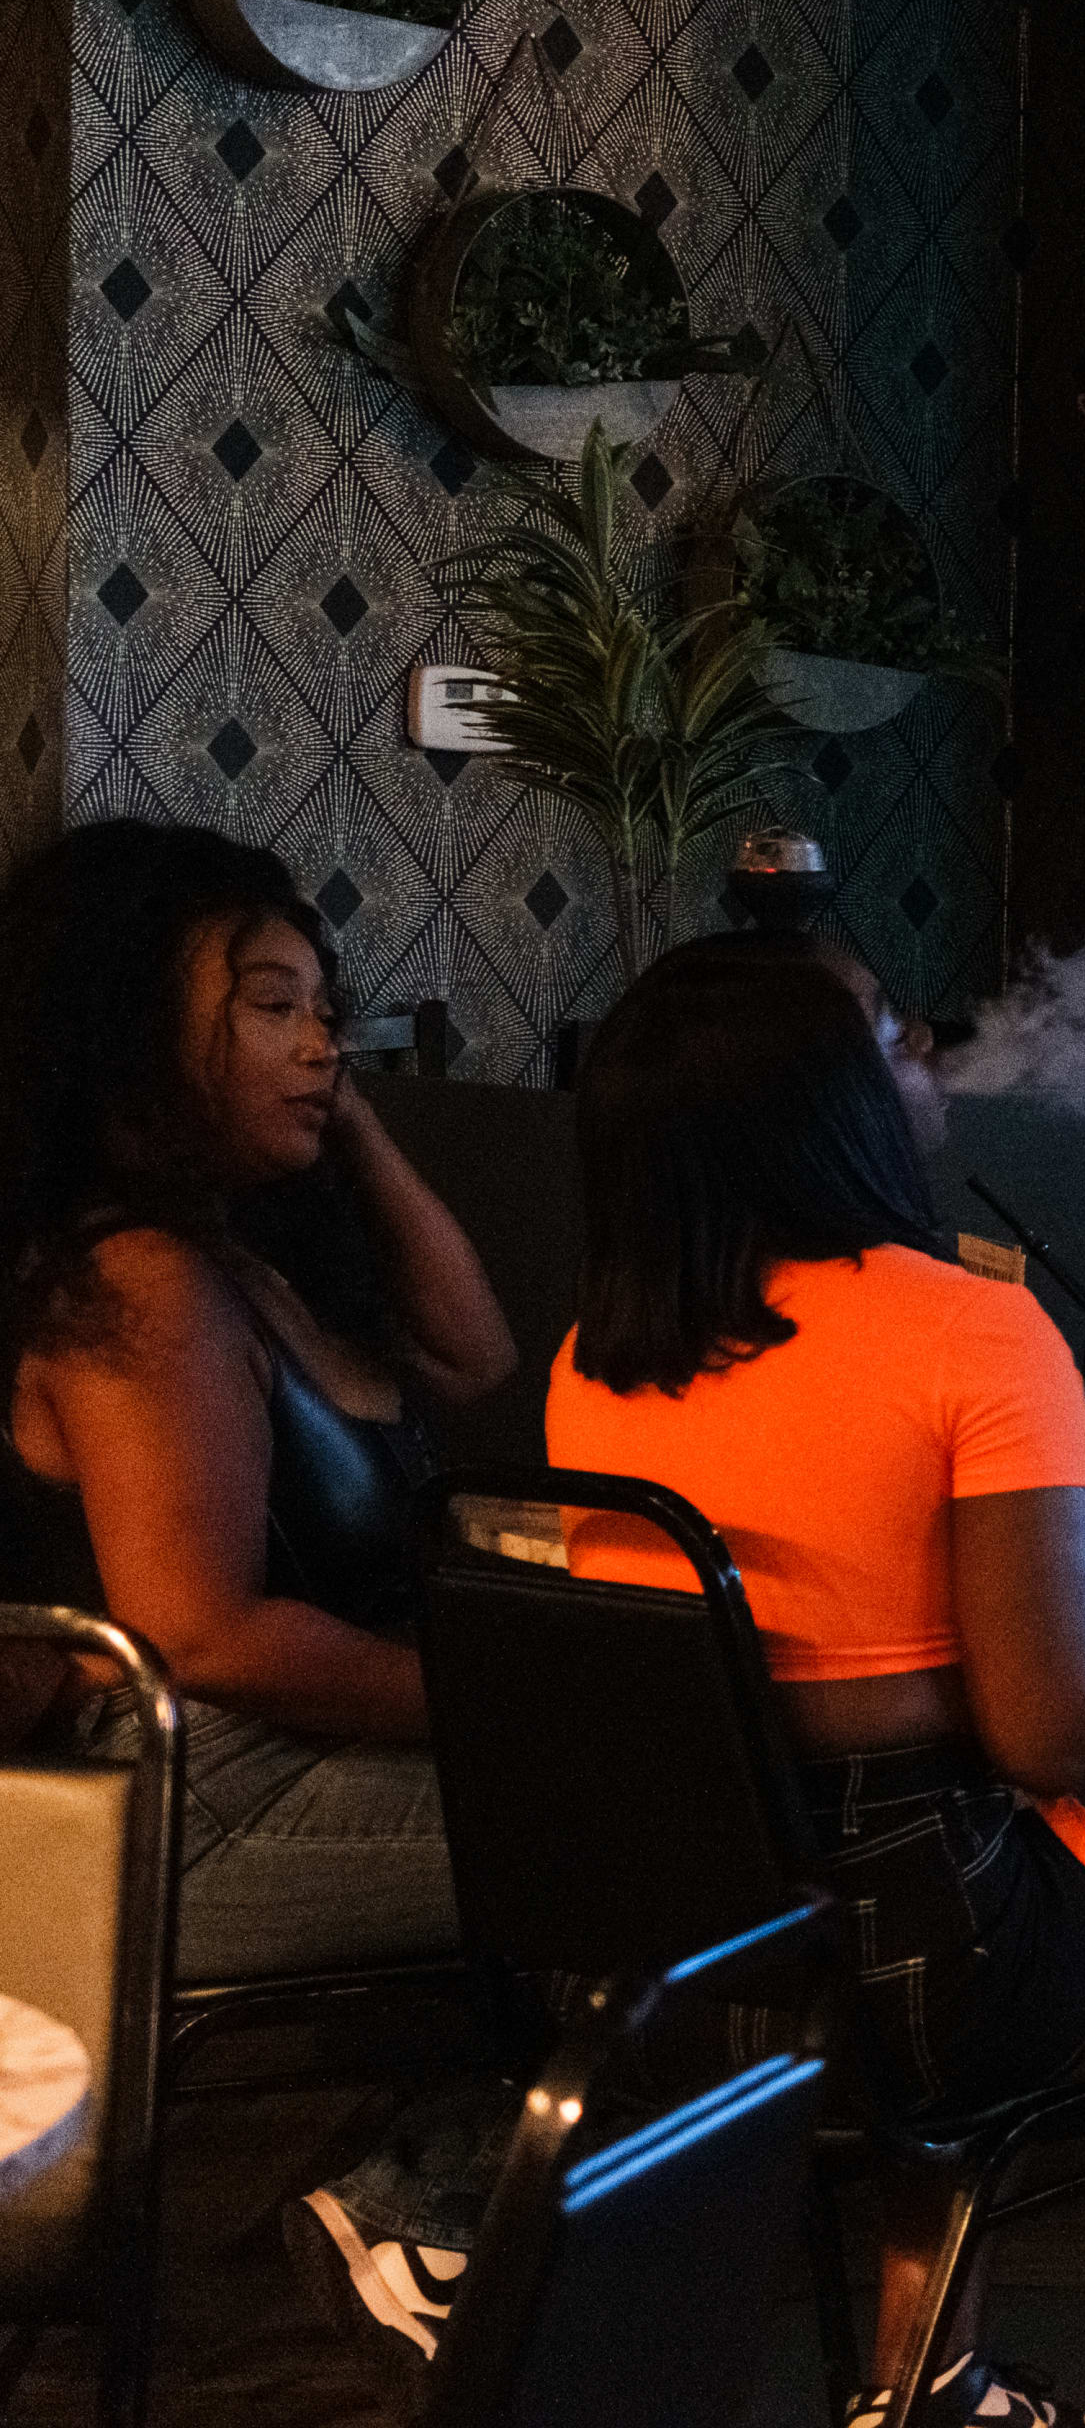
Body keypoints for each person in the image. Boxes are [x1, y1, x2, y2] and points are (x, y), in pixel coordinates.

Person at [549, 932, 1085, 2428]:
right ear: (817, 1101)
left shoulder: (596, 1357)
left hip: (685, 1962)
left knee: (988, 1846)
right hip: (926, 1970)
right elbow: (1063, 1729)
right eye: (888, 1031)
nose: (926, 1050)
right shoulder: (976, 1333)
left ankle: (927, 2376)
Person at [0, 819, 520, 2349]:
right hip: (178, 1802)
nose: (318, 1046)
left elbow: (473, 1360)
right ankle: (418, 2212)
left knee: (679, 1820)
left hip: (267, 1769)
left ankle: (432, 2203)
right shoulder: (142, 1280)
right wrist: (506, 1710)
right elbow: (199, 1630)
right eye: (273, 1007)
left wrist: (353, 1124)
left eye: (328, 1014)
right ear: (134, 1025)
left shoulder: (234, 1260)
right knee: (670, 1833)